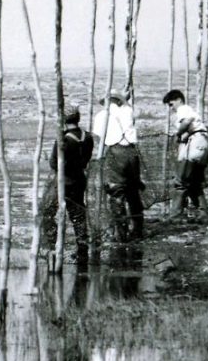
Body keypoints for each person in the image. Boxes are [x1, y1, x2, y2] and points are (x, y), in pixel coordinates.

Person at [42, 105, 94, 263]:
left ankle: (53, 247)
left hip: (64, 181)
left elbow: (53, 163)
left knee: (47, 212)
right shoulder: (88, 136)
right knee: (78, 215)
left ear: (64, 120)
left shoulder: (63, 140)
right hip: (80, 179)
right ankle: (83, 250)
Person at [92, 91, 144, 241]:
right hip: (132, 153)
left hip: (115, 152)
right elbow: (127, 106)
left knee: (116, 193)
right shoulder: (127, 110)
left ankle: (121, 234)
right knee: (133, 192)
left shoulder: (102, 116)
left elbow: (99, 138)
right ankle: (138, 230)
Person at [162, 89, 208, 222]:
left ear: (178, 100)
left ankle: (175, 216)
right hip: (202, 145)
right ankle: (204, 214)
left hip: (194, 146)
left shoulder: (183, 109)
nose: (171, 108)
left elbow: (187, 122)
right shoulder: (192, 112)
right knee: (194, 183)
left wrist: (178, 134)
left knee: (181, 182)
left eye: (171, 104)